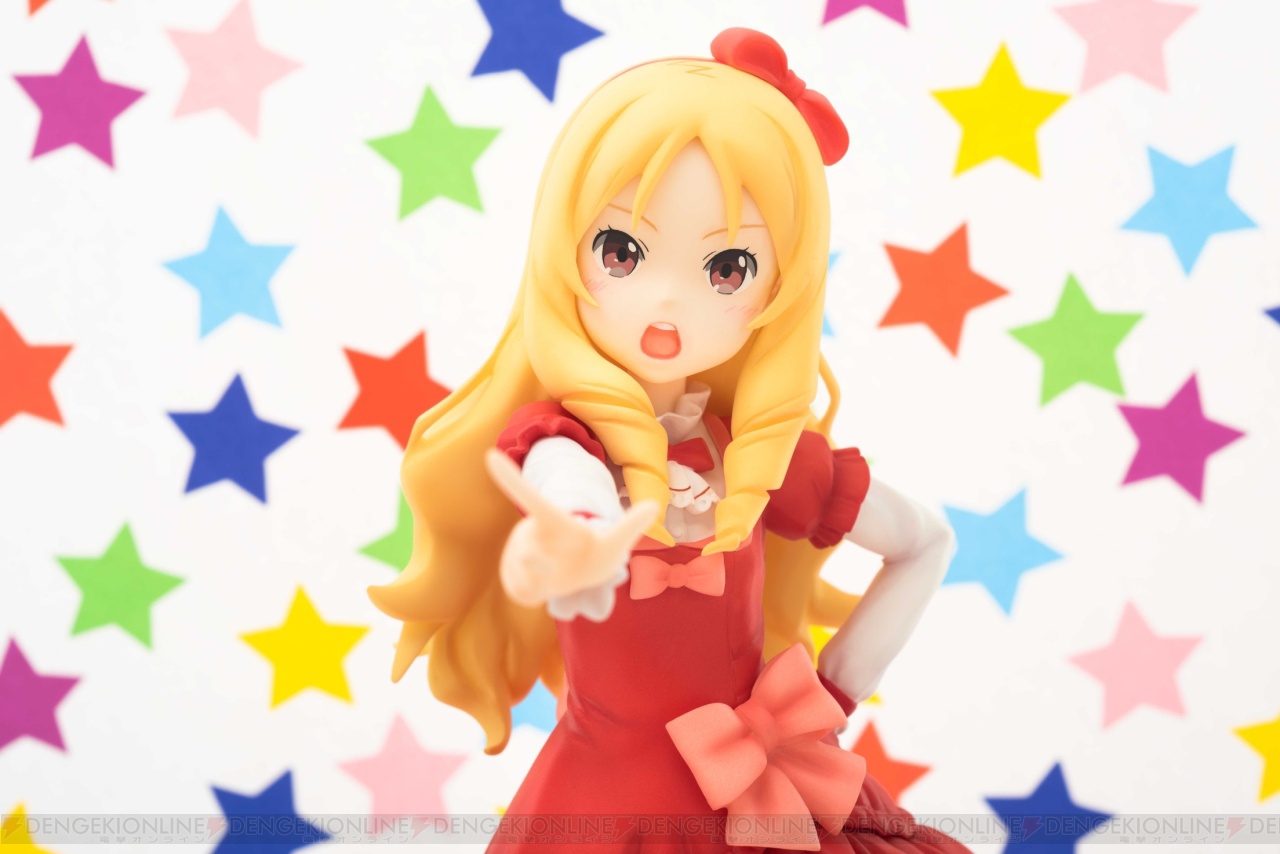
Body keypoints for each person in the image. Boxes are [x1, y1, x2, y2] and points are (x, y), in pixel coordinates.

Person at [368, 27, 971, 853]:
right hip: (605, 809)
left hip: (758, 791)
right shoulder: (563, 442)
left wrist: (823, 700)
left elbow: (927, 543)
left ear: (781, 289)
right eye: (622, 250)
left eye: (726, 270)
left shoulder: (759, 459)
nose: (667, 303)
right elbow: (563, 477)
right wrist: (581, 535)